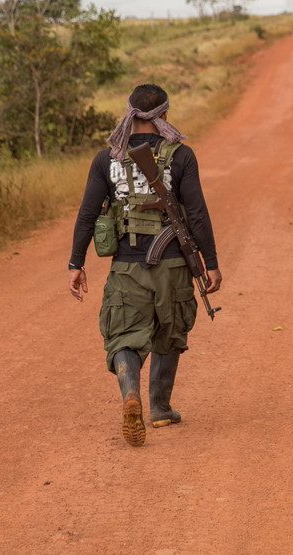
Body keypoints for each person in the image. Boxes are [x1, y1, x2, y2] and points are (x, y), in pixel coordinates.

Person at [69, 83, 222, 447]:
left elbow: (88, 214)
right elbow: (197, 214)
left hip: (125, 266)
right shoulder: (182, 155)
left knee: (123, 334)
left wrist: (76, 262)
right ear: (164, 115)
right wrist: (211, 263)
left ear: (129, 114)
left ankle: (129, 395)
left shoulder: (106, 159)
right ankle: (159, 407)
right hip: (172, 266)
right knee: (170, 330)